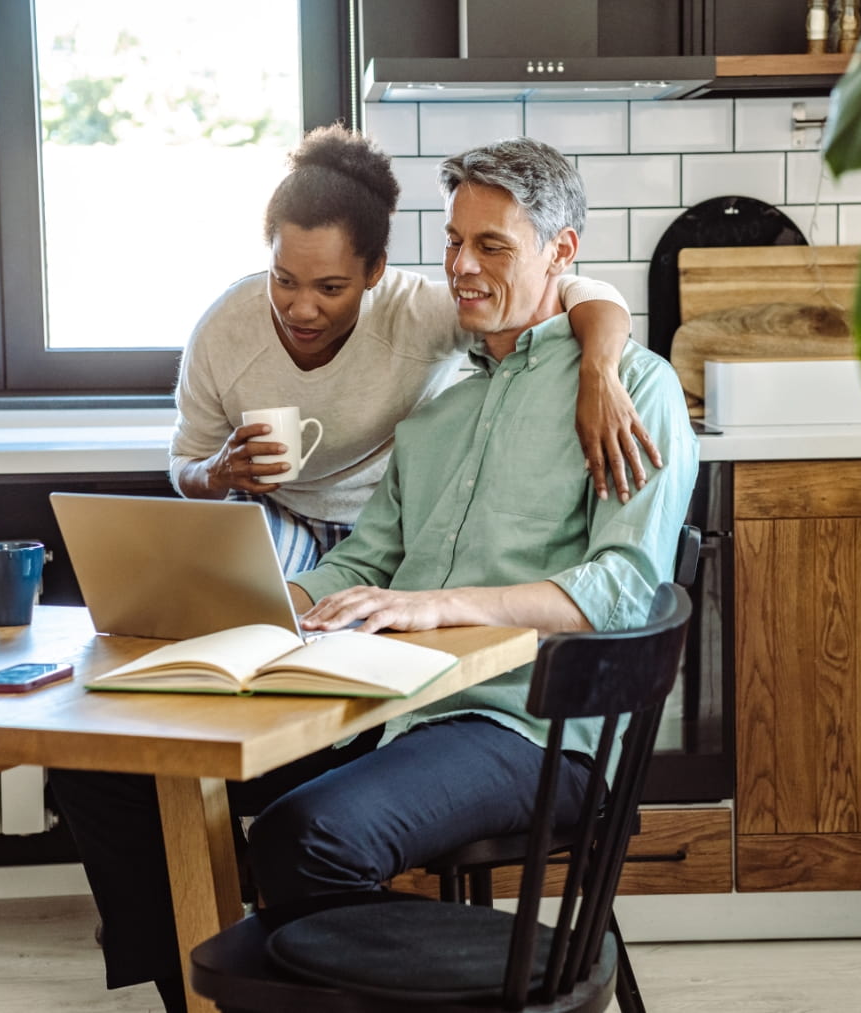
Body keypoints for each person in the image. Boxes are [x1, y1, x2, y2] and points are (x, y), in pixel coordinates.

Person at [50, 136, 697, 1011]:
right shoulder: (440, 406)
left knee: (307, 837)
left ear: (563, 253)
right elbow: (366, 557)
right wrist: (259, 603)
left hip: (529, 729)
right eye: (455, 242)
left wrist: (436, 607)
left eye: (493, 246)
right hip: (398, 707)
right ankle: (194, 1001)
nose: (463, 267)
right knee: (117, 767)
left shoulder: (633, 391)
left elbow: (623, 586)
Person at [168, 125, 661, 575]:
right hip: (282, 514)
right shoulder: (225, 332)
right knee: (231, 606)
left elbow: (581, 293)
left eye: (331, 288)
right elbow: (184, 464)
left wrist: (600, 373)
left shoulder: (419, 313)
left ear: (374, 272)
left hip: (387, 529)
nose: (301, 309)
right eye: (284, 280)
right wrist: (216, 472)